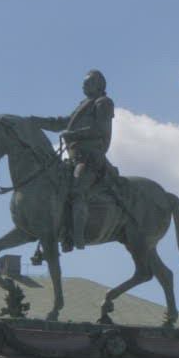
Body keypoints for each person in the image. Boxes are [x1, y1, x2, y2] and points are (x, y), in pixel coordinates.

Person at [28, 69, 115, 252]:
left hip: (90, 159)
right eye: (84, 82)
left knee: (77, 189)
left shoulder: (103, 103)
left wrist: (74, 135)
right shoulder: (84, 104)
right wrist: (34, 121)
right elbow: (60, 123)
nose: (84, 85)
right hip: (74, 158)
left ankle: (76, 236)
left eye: (88, 82)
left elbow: (100, 130)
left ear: (99, 85)